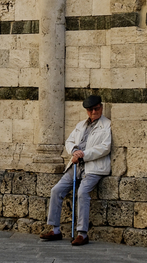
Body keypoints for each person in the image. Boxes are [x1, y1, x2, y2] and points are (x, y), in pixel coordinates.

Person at [40, 95, 111, 246]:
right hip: (75, 165)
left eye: (96, 109)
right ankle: (55, 229)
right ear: (86, 111)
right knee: (56, 190)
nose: (93, 112)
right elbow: (69, 141)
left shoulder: (107, 125)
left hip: (93, 168)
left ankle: (82, 233)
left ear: (101, 107)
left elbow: (105, 148)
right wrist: (74, 151)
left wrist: (83, 154)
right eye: (90, 110)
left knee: (82, 192)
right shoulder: (80, 125)